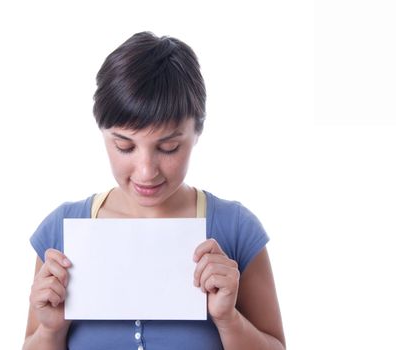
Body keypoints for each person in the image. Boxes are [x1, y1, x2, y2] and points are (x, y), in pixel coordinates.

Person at [23, 31, 285, 350]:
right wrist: (50, 332)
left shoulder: (237, 229)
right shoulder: (61, 231)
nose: (147, 172)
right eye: (125, 146)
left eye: (169, 147)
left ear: (197, 131)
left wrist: (229, 320)